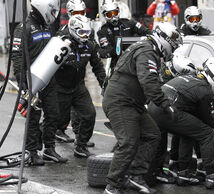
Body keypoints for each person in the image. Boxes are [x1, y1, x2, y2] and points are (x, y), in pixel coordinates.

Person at [102, 22, 182, 194]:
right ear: (165, 40)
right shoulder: (147, 50)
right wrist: (165, 104)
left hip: (132, 102)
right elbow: (148, 81)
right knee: (129, 142)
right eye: (173, 46)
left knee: (152, 134)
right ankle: (113, 185)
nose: (173, 50)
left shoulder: (146, 48)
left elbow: (151, 81)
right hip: (121, 101)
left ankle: (135, 176)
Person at [147, 57, 214, 189]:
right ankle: (211, 177)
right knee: (206, 134)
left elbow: (204, 114)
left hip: (154, 107)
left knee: (190, 131)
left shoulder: (191, 78)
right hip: (167, 111)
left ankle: (182, 174)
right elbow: (211, 121)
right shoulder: (205, 90)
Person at [11, 0, 68, 165]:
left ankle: (49, 149)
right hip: (32, 80)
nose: (54, 15)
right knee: (33, 118)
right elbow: (16, 56)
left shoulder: (47, 27)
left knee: (54, 114)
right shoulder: (23, 28)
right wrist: (23, 82)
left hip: (48, 79)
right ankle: (32, 152)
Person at [55, 15, 106, 158]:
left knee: (90, 114)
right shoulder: (61, 42)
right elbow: (50, 64)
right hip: (60, 88)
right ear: (73, 30)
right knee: (55, 121)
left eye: (87, 32)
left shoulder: (90, 45)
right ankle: (40, 148)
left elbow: (98, 67)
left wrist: (105, 84)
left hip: (78, 87)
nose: (85, 36)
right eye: (81, 32)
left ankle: (81, 145)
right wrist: (66, 64)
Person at [97, 0, 152, 78]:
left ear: (118, 12)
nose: (113, 17)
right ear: (105, 16)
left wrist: (153, 35)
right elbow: (104, 51)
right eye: (109, 14)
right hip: (118, 63)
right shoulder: (103, 31)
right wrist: (116, 49)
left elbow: (146, 31)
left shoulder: (129, 23)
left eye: (115, 13)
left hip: (135, 58)